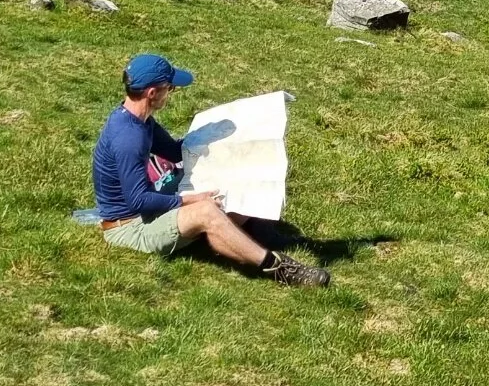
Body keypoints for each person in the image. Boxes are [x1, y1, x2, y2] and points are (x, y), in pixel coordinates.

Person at [92, 52, 327, 287]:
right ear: (152, 93)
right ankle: (281, 268)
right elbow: (138, 201)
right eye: (170, 88)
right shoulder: (129, 138)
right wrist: (193, 199)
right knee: (206, 210)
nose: (171, 94)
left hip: (146, 214)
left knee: (224, 185)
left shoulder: (141, 122)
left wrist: (226, 138)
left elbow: (175, 152)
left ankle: (251, 236)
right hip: (129, 229)